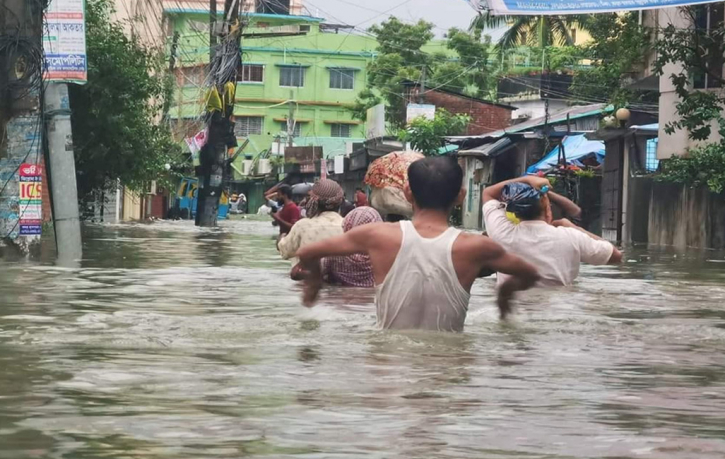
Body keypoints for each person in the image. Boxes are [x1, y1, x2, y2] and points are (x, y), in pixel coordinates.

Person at [297, 156, 540, 330]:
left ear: (407, 193)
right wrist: (505, 297)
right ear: (460, 196)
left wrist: (314, 285)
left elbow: (308, 252)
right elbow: (529, 273)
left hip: (387, 370)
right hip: (449, 371)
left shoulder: (377, 235)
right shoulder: (477, 247)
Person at [482, 176, 622, 287]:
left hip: (513, 312)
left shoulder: (502, 233)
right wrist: (574, 228)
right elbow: (615, 256)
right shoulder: (571, 236)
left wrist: (527, 179)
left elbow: (488, 193)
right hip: (560, 312)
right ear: (546, 206)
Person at [278, 179, 346, 268]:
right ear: (340, 201)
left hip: (307, 279)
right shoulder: (349, 224)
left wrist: (281, 238)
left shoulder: (302, 226)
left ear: (313, 201)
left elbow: (285, 251)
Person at [321, 207, 382, 288]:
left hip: (342, 297)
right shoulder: (386, 255)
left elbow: (315, 274)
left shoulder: (334, 254)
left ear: (349, 224)